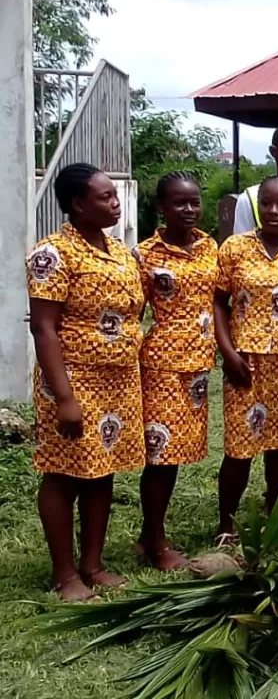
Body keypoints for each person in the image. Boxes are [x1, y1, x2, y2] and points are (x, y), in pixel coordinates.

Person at [27, 163, 144, 600]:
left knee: (101, 469)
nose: (115, 203)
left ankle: (92, 564)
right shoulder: (53, 254)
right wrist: (64, 398)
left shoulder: (119, 252)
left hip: (117, 381)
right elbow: (44, 328)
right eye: (104, 197)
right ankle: (64, 572)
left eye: (115, 196)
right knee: (63, 474)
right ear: (78, 204)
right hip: (73, 379)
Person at [214, 175, 278, 544]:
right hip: (245, 361)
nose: (274, 211)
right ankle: (226, 525)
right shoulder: (234, 249)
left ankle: (276, 520)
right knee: (239, 449)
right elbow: (218, 303)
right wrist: (227, 352)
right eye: (267, 204)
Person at [133, 172, 218, 571]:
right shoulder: (145, 254)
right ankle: (157, 542)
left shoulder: (208, 246)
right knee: (161, 456)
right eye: (179, 203)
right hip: (162, 365)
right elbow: (133, 310)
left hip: (199, 367)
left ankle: (148, 534)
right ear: (161, 208)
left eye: (194, 202)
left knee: (176, 455)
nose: (189, 210)